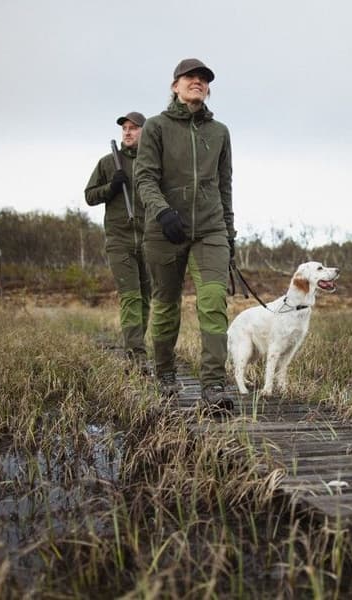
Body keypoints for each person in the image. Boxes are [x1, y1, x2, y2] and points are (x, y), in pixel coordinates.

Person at [135, 58, 235, 408]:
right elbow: (144, 177)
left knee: (212, 301)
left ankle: (214, 387)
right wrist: (162, 213)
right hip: (165, 229)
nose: (198, 82)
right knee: (165, 305)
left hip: (210, 229)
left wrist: (230, 234)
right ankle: (164, 374)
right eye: (190, 77)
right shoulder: (157, 127)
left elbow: (225, 186)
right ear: (175, 85)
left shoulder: (219, 132)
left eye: (204, 79)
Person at [84, 111, 151, 374]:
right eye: (125, 128)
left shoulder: (153, 161)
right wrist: (111, 187)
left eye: (134, 128)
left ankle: (136, 347)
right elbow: (89, 196)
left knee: (146, 299)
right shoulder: (108, 162)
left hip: (149, 239)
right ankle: (136, 357)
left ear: (144, 132)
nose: (128, 132)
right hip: (120, 239)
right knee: (131, 297)